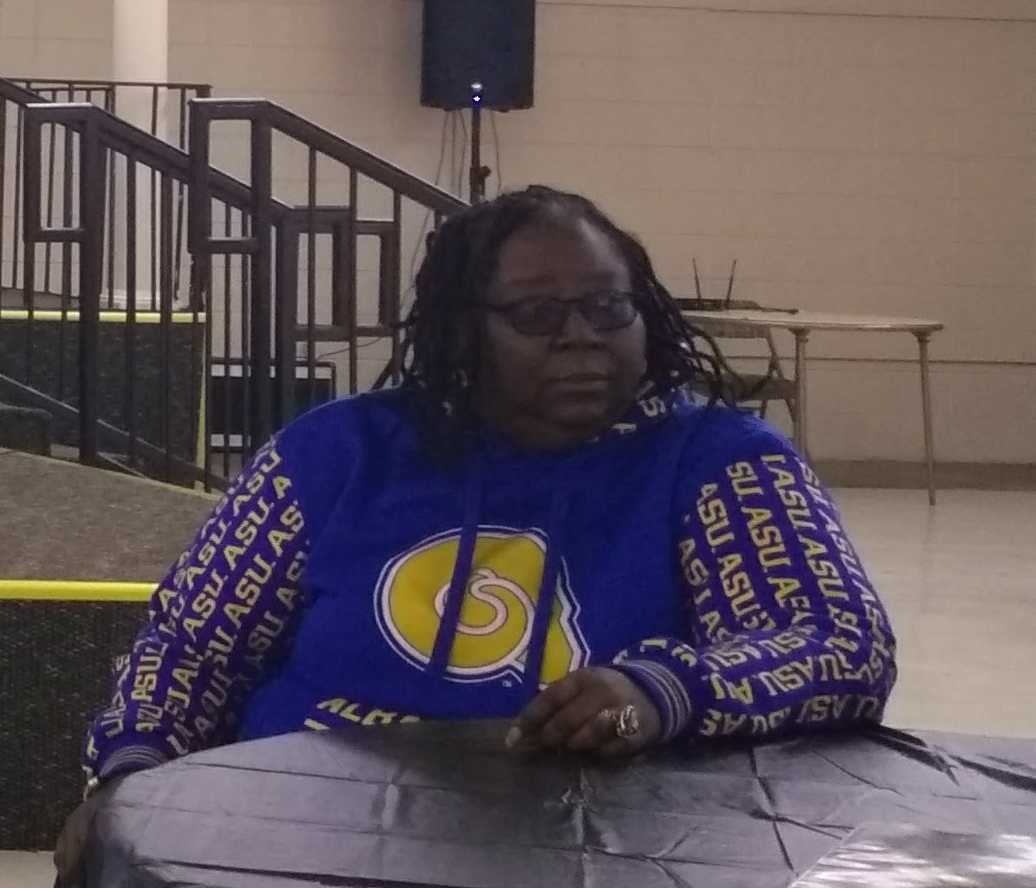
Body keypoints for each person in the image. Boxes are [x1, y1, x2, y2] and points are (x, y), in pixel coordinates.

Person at [67, 185, 894, 847]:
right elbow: (188, 647)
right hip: (297, 841)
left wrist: (662, 688)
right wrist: (130, 778)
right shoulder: (338, 453)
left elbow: (840, 646)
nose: (581, 337)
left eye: (610, 308)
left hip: (597, 865)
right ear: (465, 332)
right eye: (535, 315)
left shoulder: (722, 462)